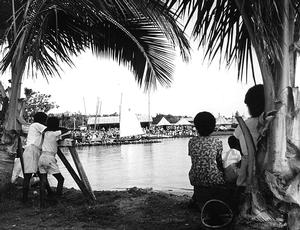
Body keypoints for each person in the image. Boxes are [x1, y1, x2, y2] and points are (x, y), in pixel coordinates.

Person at [188, 111, 226, 207]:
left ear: (196, 127)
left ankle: (196, 198)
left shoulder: (191, 142)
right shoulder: (217, 142)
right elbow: (219, 162)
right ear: (213, 127)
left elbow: (194, 160)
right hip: (213, 180)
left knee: (199, 171)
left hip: (195, 178)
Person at [234, 84, 264, 187]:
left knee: (240, 182)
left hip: (248, 163)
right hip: (266, 164)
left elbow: (236, 137)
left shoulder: (246, 123)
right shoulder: (272, 124)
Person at [38, 116, 68, 207]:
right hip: (49, 158)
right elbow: (66, 131)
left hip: (41, 157)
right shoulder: (55, 133)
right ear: (56, 125)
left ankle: (42, 203)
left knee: (43, 181)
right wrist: (59, 128)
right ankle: (57, 200)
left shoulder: (44, 133)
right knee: (60, 179)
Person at [22, 112, 49, 203]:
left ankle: (25, 200)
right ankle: (42, 201)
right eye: (45, 120)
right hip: (33, 150)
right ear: (42, 120)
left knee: (29, 176)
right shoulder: (37, 125)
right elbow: (49, 131)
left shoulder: (34, 126)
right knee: (41, 176)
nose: (46, 122)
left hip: (31, 151)